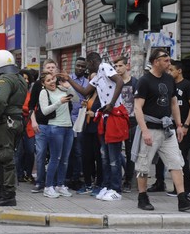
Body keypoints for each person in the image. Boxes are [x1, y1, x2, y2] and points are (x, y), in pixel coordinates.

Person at [134, 48, 190, 212]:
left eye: (169, 60)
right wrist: (145, 131)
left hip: (167, 130)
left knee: (176, 163)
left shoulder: (169, 79)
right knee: (143, 165)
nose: (169, 63)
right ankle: (142, 198)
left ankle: (182, 199)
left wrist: (179, 125)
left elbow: (173, 104)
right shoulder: (144, 81)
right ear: (156, 61)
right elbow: (137, 108)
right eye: (166, 60)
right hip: (150, 128)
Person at [60, 52, 127, 201]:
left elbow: (120, 82)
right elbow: (84, 91)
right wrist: (69, 79)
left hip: (114, 113)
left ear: (91, 62)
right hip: (105, 117)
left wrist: (111, 103)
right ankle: (107, 186)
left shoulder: (104, 66)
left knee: (113, 156)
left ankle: (116, 189)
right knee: (106, 156)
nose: (85, 68)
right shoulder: (98, 76)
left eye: (87, 65)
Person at [0, 50, 28, 206]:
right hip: (15, 121)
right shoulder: (20, 78)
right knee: (6, 157)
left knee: (4, 158)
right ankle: (2, 190)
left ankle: (7, 193)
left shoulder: (4, 80)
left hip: (4, 123)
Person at [157, 60, 190, 197]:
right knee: (175, 156)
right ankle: (178, 187)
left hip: (187, 126)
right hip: (172, 125)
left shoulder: (187, 85)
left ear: (179, 71)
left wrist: (186, 124)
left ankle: (186, 187)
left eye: (171, 70)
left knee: (181, 155)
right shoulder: (170, 85)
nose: (169, 72)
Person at [37, 71, 78, 198]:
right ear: (43, 83)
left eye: (53, 79)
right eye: (48, 80)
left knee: (65, 159)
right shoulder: (44, 92)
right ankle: (48, 187)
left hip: (68, 127)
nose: (52, 82)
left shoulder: (62, 89)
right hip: (55, 127)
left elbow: (76, 99)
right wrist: (59, 102)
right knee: (56, 158)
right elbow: (44, 111)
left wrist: (68, 85)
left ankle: (60, 185)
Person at [29, 59, 59, 193]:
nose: (51, 69)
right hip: (42, 124)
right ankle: (40, 181)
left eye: (53, 67)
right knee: (40, 153)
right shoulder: (38, 85)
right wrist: (33, 121)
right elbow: (31, 106)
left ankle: (54, 181)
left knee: (56, 154)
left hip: (57, 124)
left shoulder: (59, 84)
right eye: (48, 67)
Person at [113, 56, 138, 193]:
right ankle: (118, 177)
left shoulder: (135, 82)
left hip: (132, 120)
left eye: (120, 66)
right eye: (115, 66)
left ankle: (128, 180)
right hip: (117, 120)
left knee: (130, 152)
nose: (118, 69)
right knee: (115, 151)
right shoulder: (114, 82)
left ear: (126, 66)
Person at [66, 57, 89, 189]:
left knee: (78, 150)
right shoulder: (67, 79)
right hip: (67, 118)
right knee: (67, 150)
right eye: (78, 65)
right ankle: (67, 177)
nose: (80, 68)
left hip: (80, 119)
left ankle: (76, 177)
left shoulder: (87, 82)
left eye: (82, 66)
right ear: (74, 66)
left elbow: (86, 95)